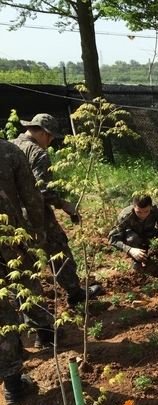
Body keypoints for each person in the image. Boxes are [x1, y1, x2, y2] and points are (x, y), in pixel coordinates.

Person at [12, 113, 103, 308]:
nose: (51, 141)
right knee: (58, 248)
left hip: (10, 216)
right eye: (52, 137)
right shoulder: (37, 153)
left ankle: (25, 309)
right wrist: (64, 204)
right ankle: (75, 293)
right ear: (45, 133)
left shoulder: (10, 146)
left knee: (21, 261)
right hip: (35, 214)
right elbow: (41, 190)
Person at [0, 139, 54, 405]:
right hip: (10, 238)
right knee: (24, 284)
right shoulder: (7, 150)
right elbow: (31, 196)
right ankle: (44, 333)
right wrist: (38, 229)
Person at [108, 194, 158, 272]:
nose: (143, 215)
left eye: (146, 211)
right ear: (133, 207)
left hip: (150, 235)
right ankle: (136, 260)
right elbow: (113, 238)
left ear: (151, 207)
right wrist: (130, 250)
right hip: (133, 239)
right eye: (139, 212)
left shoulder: (157, 210)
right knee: (132, 238)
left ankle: (149, 255)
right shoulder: (125, 215)